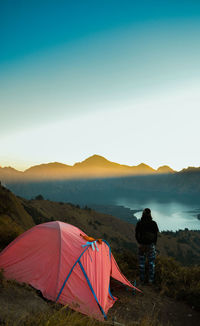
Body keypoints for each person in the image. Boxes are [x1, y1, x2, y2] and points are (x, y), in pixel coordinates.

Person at [135, 208, 159, 284]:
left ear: (143, 214)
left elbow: (136, 234)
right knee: (151, 263)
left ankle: (142, 280)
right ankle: (150, 280)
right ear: (150, 214)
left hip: (142, 245)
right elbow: (156, 235)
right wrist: (154, 243)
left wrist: (139, 242)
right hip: (150, 245)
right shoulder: (153, 223)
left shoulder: (140, 223)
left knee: (141, 263)